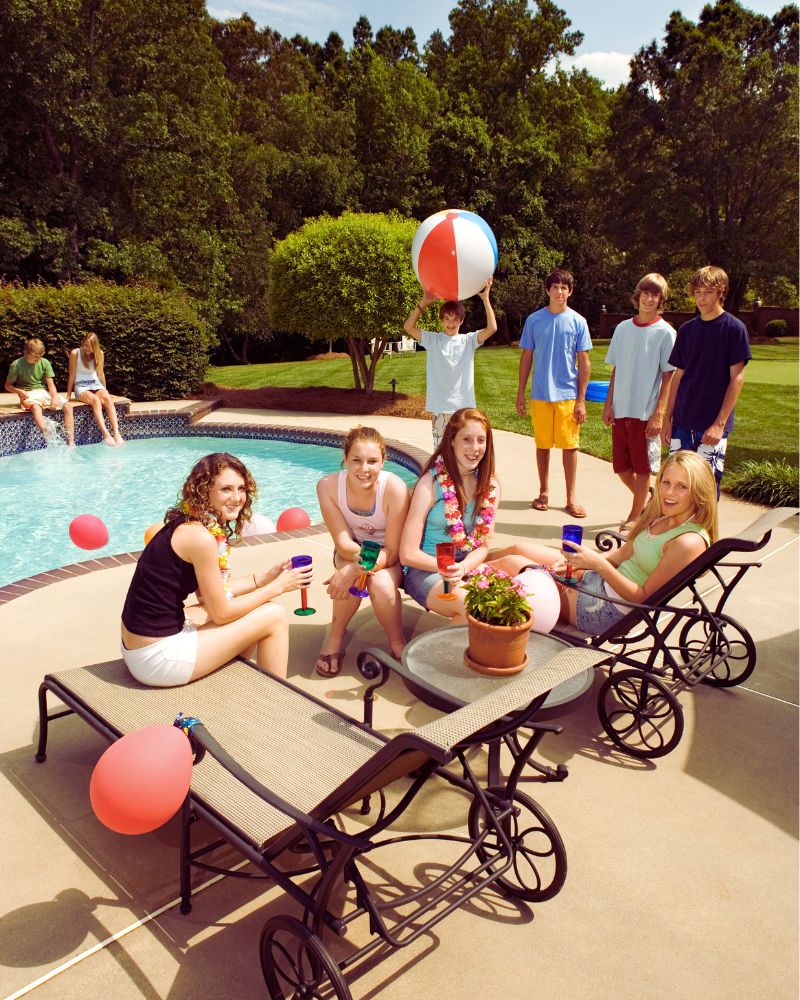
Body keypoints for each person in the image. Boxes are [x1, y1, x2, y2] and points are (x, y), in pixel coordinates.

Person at [121, 452, 312, 687]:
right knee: (272, 614)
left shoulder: (189, 523)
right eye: (226, 489)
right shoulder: (200, 538)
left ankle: (224, 671)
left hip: (136, 647)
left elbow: (209, 596)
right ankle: (278, 699)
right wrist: (277, 588)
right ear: (204, 491)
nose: (237, 497)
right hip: (157, 660)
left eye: (241, 489)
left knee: (216, 610)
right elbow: (222, 613)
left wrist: (263, 578)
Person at [509, 451, 718, 636]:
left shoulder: (688, 541)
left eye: (681, 487)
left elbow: (643, 598)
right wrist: (583, 564)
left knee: (513, 564)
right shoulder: (664, 518)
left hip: (604, 609)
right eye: (666, 482)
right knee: (518, 549)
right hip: (595, 583)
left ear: (699, 492)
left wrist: (598, 564)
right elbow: (620, 555)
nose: (669, 493)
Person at [400, 408, 527, 623]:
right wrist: (450, 569)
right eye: (467, 439)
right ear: (451, 440)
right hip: (426, 570)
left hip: (467, 565)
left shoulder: (490, 486)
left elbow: (483, 546)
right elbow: (407, 554)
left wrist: (464, 567)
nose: (475, 448)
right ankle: (443, 655)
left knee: (510, 601)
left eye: (481, 440)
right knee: (472, 606)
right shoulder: (430, 484)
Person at [315, 426, 410, 676]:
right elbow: (343, 542)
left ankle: (397, 643)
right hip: (351, 551)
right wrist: (355, 567)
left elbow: (393, 551)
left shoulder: (394, 489)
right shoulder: (327, 487)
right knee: (352, 575)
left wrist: (354, 570)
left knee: (378, 584)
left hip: (389, 557)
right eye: (356, 460)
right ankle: (335, 638)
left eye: (372, 461)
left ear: (383, 461)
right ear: (345, 459)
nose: (364, 469)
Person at [661, 265, 751, 496]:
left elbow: (737, 378)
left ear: (721, 292)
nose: (701, 298)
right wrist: (667, 419)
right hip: (682, 422)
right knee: (676, 486)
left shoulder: (734, 329)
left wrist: (719, 424)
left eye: (708, 292)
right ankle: (678, 532)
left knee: (705, 490)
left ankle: (705, 534)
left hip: (712, 426)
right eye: (698, 292)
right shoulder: (687, 330)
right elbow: (678, 376)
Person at [515, 269, 591, 518]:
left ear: (570, 291)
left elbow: (584, 361)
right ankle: (544, 492)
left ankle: (571, 497)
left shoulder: (578, 321)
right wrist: (520, 393)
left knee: (570, 447)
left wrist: (581, 400)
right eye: (555, 287)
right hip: (540, 394)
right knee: (543, 445)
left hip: (568, 395)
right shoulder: (534, 320)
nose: (560, 292)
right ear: (548, 290)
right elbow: (526, 357)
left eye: (564, 287)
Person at [603, 273, 676, 532]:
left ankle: (636, 515)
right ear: (638, 296)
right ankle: (652, 501)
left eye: (655, 294)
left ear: (661, 299)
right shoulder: (623, 329)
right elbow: (616, 369)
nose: (649, 298)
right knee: (621, 467)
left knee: (643, 468)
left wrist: (660, 413)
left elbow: (669, 376)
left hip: (645, 412)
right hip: (621, 409)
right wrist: (608, 403)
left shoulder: (666, 333)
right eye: (645, 293)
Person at [403, 278, 496, 448]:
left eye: (455, 319)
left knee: (464, 451)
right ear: (441, 320)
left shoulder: (468, 341)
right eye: (447, 318)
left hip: (463, 408)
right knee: (441, 454)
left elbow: (492, 328)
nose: (450, 323)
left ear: (461, 321)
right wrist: (423, 302)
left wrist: (485, 299)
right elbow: (408, 327)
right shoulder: (433, 340)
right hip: (440, 407)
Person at [63, 331, 125, 447]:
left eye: (90, 346)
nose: (87, 348)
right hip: (81, 385)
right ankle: (106, 435)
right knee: (95, 401)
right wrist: (68, 395)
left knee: (107, 399)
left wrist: (105, 391)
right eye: (85, 345)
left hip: (95, 383)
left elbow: (100, 374)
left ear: (95, 346)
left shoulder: (100, 353)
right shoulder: (75, 353)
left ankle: (117, 434)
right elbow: (72, 375)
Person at [4, 338, 67, 443]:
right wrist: (19, 391)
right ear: (25, 353)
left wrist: (55, 398)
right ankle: (46, 434)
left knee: (68, 406)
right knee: (36, 407)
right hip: (28, 393)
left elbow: (51, 385)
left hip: (42, 392)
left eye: (40, 357)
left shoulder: (45, 362)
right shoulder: (16, 365)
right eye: (35, 357)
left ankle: (70, 441)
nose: (37, 360)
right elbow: (7, 386)